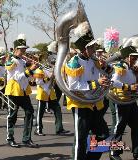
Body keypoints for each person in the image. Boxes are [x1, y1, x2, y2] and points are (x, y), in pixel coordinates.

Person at [64, 21, 110, 160]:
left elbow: (104, 75)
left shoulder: (94, 60)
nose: (95, 48)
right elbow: (73, 86)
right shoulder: (74, 62)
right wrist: (96, 83)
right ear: (84, 48)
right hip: (80, 103)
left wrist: (107, 69)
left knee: (103, 135)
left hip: (94, 102)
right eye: (92, 46)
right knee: (81, 140)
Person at [5, 33, 38, 148]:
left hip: (23, 90)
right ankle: (10, 138)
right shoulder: (11, 61)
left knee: (30, 111)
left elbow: (26, 76)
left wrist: (33, 70)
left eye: (24, 49)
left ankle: (26, 139)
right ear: (16, 49)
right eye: (22, 49)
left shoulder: (22, 61)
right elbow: (17, 77)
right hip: (14, 90)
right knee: (12, 115)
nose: (24, 51)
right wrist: (30, 70)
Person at [109, 44, 138, 160]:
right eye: (133, 57)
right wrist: (128, 87)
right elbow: (112, 82)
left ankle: (136, 152)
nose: (135, 59)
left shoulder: (132, 68)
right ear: (126, 57)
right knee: (119, 127)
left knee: (136, 125)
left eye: (136, 57)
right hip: (120, 101)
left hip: (131, 101)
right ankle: (114, 153)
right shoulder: (120, 66)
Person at [33, 67, 69, 136]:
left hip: (51, 93)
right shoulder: (39, 70)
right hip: (42, 93)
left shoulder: (50, 69)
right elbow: (38, 82)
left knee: (57, 110)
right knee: (40, 113)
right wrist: (49, 77)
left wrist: (55, 75)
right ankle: (38, 129)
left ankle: (59, 129)